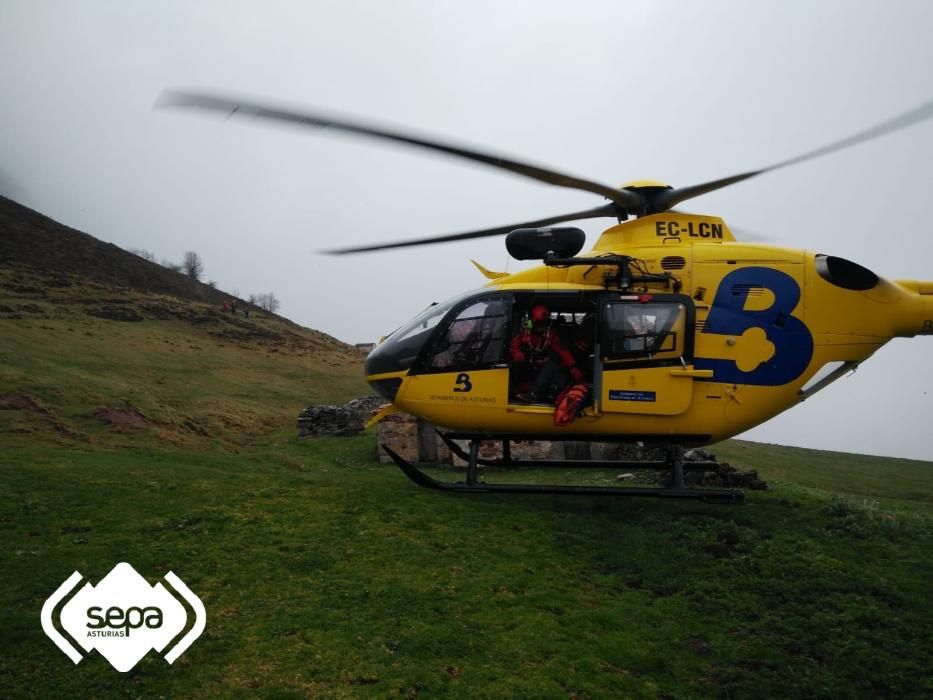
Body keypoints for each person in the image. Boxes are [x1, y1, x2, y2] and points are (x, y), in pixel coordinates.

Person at [510, 304, 583, 403]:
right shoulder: (524, 332)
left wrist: (572, 366)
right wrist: (516, 353)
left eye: (545, 323)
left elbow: (563, 351)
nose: (543, 327)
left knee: (555, 360)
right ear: (533, 322)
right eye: (540, 324)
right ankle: (526, 391)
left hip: (545, 369)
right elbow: (513, 347)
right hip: (528, 367)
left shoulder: (551, 335)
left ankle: (536, 394)